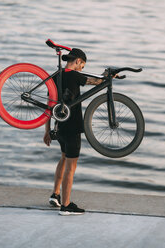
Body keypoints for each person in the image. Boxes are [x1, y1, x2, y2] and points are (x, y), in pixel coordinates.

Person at [43, 48, 106, 215]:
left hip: (60, 126)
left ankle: (55, 195)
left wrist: (47, 130)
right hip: (73, 127)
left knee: (63, 158)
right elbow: (96, 82)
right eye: (83, 66)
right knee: (71, 166)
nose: (82, 69)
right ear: (78, 61)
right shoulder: (75, 75)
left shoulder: (56, 75)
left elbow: (49, 106)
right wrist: (108, 78)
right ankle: (66, 205)